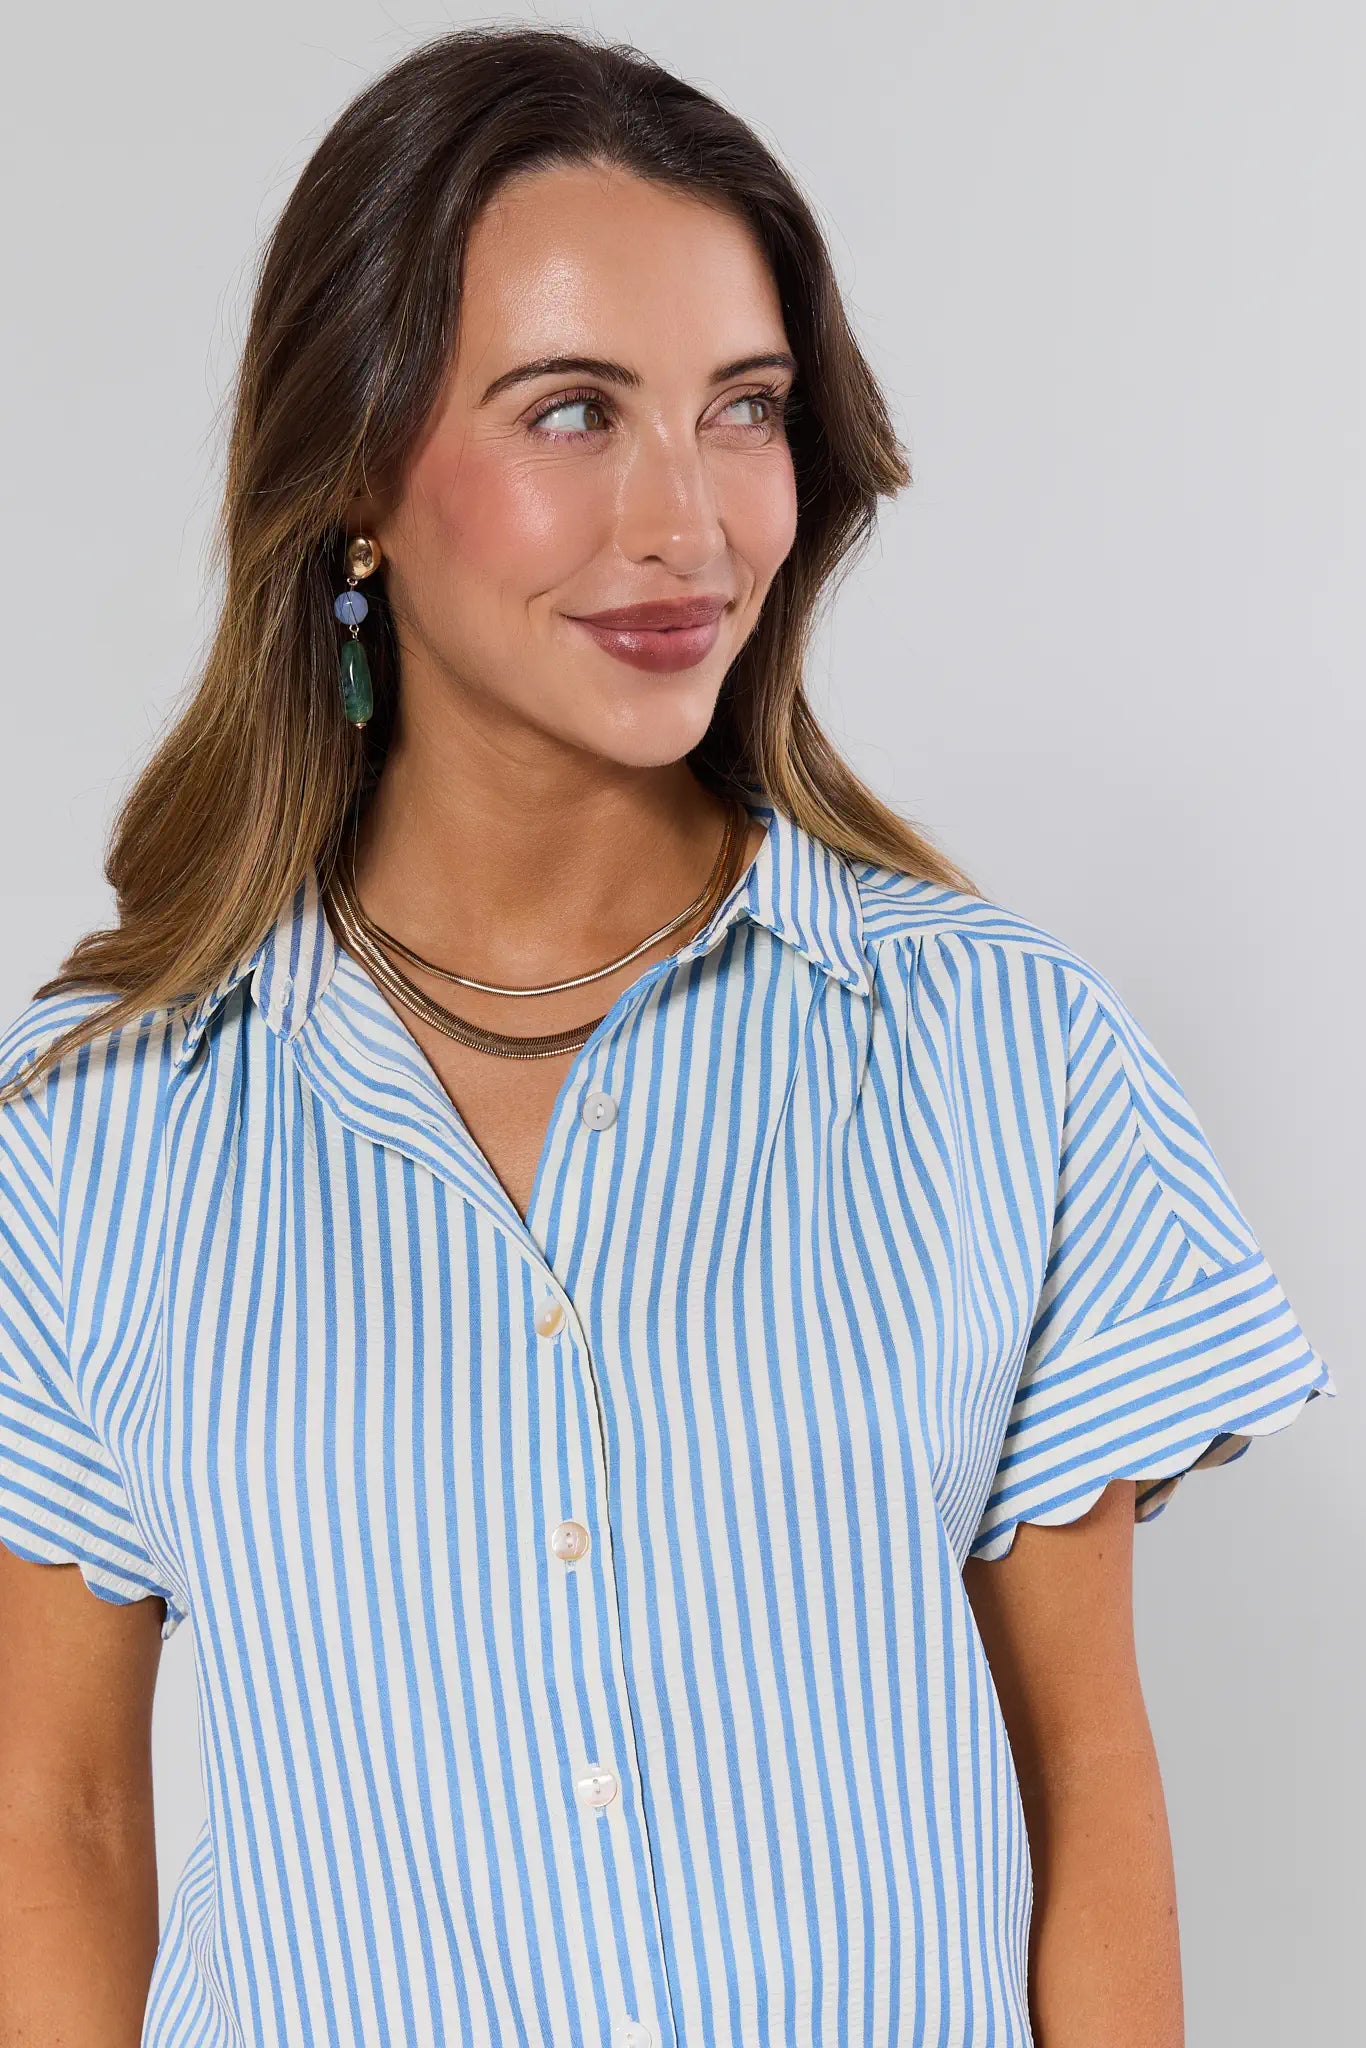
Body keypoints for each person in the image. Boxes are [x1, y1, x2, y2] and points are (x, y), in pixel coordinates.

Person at [0, 24, 1335, 2048]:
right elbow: (66, 1818)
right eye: (570, 413)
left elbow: (1091, 1799)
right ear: (356, 468)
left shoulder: (1002, 1054)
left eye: (743, 410)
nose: (689, 521)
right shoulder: (105, 1130)